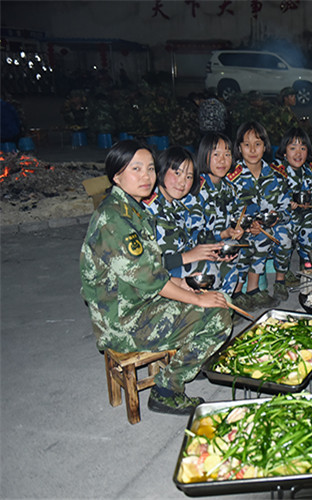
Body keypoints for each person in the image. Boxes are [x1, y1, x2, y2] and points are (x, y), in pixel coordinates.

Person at [80, 140, 232, 415]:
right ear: (117, 176)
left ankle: (189, 361)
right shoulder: (114, 220)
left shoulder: (130, 209)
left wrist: (183, 284)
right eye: (136, 169)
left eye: (150, 168)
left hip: (138, 303)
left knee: (216, 299)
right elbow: (152, 280)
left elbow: (151, 267)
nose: (146, 176)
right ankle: (166, 390)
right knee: (218, 317)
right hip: (123, 323)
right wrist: (198, 299)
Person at [143, 146, 242, 296]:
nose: (182, 182)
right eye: (177, 173)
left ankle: (216, 308)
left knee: (229, 270)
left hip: (183, 260)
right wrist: (190, 256)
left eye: (189, 177)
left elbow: (195, 236)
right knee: (210, 270)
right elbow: (145, 265)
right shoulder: (148, 209)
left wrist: (214, 250)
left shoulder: (180, 204)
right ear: (161, 171)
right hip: (159, 274)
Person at [230, 121, 293, 304]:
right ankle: (241, 290)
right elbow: (228, 212)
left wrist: (276, 218)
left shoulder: (276, 176)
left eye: (257, 144)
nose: (252, 150)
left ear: (265, 147)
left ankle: (280, 281)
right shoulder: (232, 178)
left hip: (268, 227)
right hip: (240, 230)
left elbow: (287, 209)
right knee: (251, 239)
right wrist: (247, 226)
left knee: (285, 235)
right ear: (239, 148)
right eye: (246, 144)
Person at [273, 127, 312, 270]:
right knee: (284, 233)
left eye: (303, 148)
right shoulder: (277, 172)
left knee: (310, 224)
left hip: (303, 215)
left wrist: (310, 203)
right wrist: (288, 204)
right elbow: (273, 198)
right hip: (284, 217)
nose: (298, 153)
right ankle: (282, 272)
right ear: (284, 152)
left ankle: (306, 263)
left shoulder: (309, 172)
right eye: (293, 148)